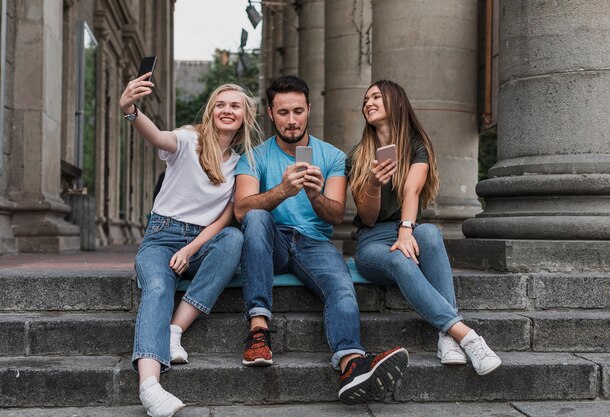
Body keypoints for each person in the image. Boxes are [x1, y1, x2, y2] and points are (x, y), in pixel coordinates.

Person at [234, 75, 409, 405]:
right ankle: (259, 331)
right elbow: (242, 210)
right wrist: (282, 191)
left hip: (314, 244)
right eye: (283, 112)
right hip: (271, 242)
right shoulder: (254, 157)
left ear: (309, 109)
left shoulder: (330, 156)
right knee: (257, 216)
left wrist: (314, 194)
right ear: (271, 114)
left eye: (298, 111)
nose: (292, 120)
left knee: (341, 285)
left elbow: (334, 215)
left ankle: (351, 364)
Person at [120, 73, 261, 417]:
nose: (227, 110)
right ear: (212, 110)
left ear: (245, 116)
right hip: (161, 236)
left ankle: (174, 330)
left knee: (233, 238)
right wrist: (131, 110)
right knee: (156, 287)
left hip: (201, 241)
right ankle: (150, 387)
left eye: (235, 106)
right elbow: (157, 135)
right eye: (221, 105)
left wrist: (190, 249)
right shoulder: (187, 139)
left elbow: (223, 219)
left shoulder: (242, 163)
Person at [347, 80, 502, 376]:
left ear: (398, 103)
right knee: (398, 257)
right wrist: (373, 184)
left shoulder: (417, 146)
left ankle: (446, 338)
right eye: (365, 99)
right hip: (371, 242)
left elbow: (411, 192)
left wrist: (406, 230)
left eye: (377, 97)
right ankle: (465, 335)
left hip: (406, 227)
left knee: (429, 233)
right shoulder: (358, 155)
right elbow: (367, 218)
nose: (368, 103)